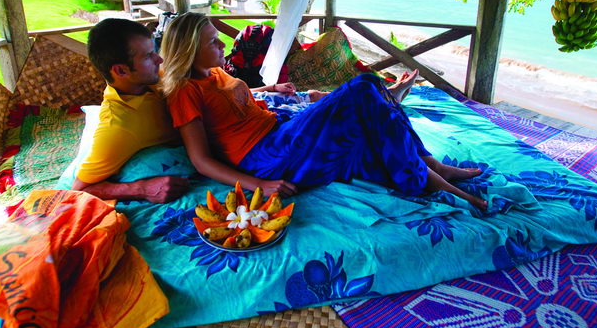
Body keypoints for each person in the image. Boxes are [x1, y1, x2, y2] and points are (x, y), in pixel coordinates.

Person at [160, 12, 488, 211]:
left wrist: (268, 90)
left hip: (279, 129)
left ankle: (429, 166)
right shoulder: (185, 91)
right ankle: (426, 173)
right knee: (363, 87)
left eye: (219, 39)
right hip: (265, 155)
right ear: (190, 51)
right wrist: (256, 186)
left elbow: (233, 99)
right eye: (212, 43)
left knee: (365, 118)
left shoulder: (213, 73)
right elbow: (200, 160)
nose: (221, 47)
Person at [71, 18, 191, 203]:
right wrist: (141, 189)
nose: (159, 59)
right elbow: (80, 188)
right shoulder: (118, 128)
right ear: (120, 71)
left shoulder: (152, 78)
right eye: (148, 56)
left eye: (154, 51)